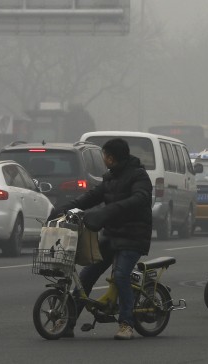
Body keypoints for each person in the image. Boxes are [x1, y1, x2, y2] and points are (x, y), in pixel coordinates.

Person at [53, 137, 152, 340]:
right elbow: (90, 197)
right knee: (86, 276)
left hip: (134, 236)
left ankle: (126, 324)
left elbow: (138, 199)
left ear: (112, 158)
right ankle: (68, 322)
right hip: (112, 235)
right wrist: (63, 208)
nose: (103, 159)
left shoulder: (139, 176)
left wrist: (107, 213)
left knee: (121, 275)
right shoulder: (110, 178)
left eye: (105, 155)